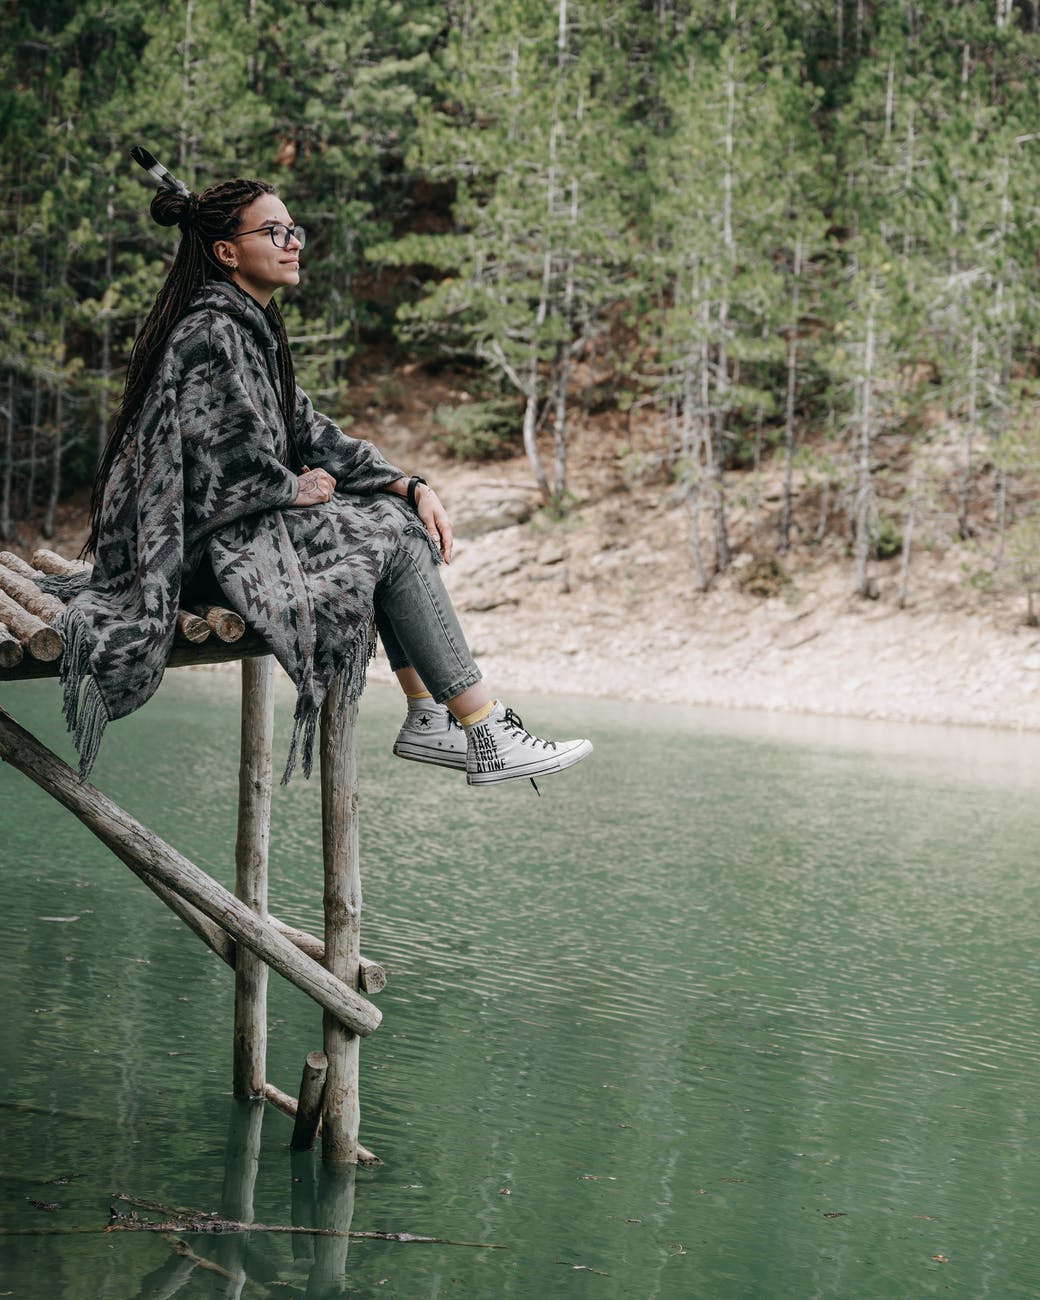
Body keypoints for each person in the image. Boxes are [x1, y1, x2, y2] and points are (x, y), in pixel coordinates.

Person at [52, 154, 592, 787]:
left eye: (294, 230)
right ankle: (485, 728)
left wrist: (407, 483)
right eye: (274, 232)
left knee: (394, 516)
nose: (293, 243)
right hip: (186, 552)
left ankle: (429, 715)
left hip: (235, 533)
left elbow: (308, 430)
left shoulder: (251, 328)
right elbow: (225, 469)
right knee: (387, 537)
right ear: (228, 253)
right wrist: (295, 487)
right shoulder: (208, 334)